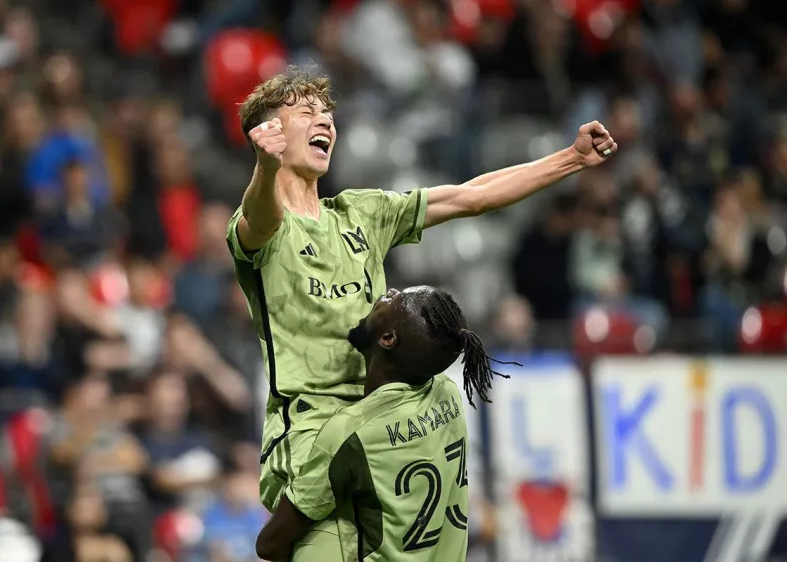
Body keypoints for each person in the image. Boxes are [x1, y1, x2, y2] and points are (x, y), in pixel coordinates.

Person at [227, 66, 616, 514]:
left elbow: (471, 197)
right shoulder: (260, 225)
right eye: (307, 112)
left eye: (328, 114)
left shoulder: (361, 213)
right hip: (308, 435)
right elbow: (259, 219)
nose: (326, 122)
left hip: (380, 426)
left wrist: (571, 158)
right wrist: (265, 165)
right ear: (269, 130)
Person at [255, 286, 511, 561]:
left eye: (393, 299)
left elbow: (269, 544)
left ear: (388, 339)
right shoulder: (447, 393)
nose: (388, 291)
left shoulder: (351, 432)